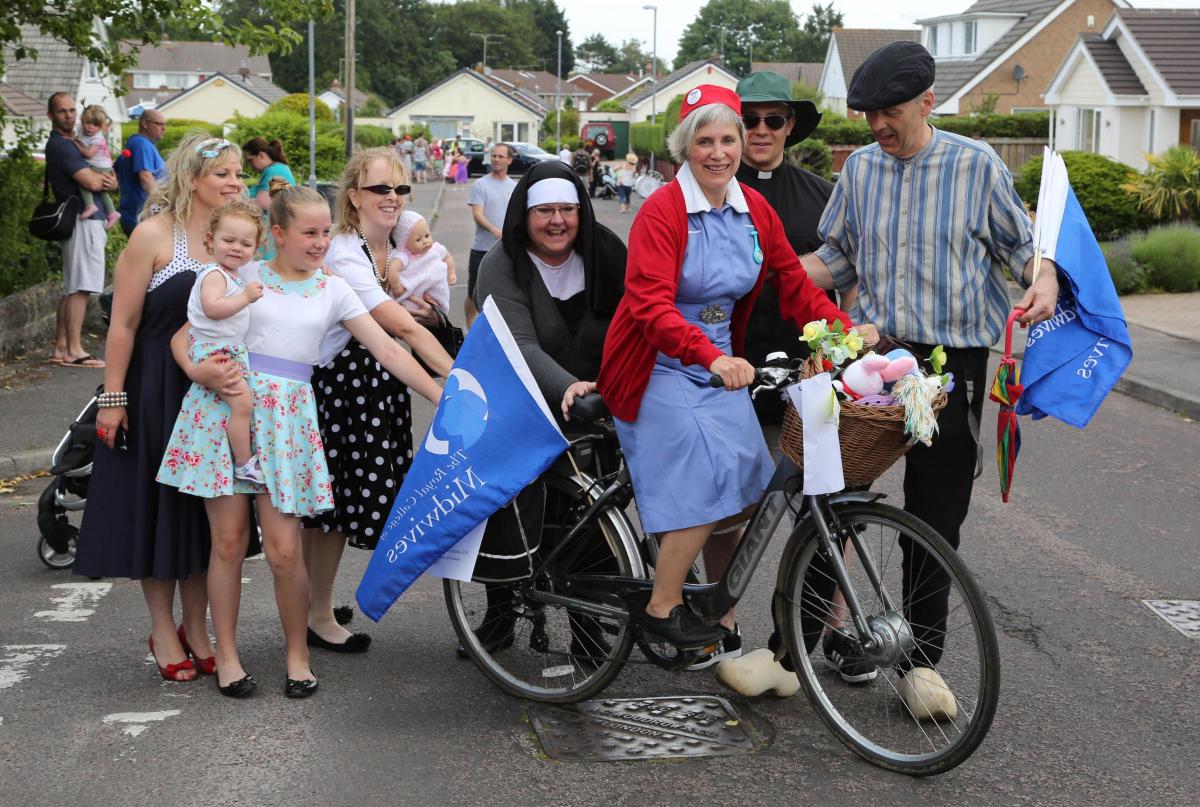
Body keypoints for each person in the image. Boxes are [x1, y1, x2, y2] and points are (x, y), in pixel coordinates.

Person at [727, 42, 1060, 717]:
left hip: (948, 366)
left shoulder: (977, 165)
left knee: (933, 517)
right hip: (874, 359)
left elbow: (1023, 252)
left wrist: (1048, 277)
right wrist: (762, 270)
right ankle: (787, 655)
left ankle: (919, 666)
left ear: (927, 103)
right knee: (830, 500)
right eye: (870, 113)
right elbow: (835, 258)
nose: (878, 125)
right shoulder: (861, 173)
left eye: (891, 113)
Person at [595, 85, 854, 655]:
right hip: (656, 363)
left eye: (727, 139)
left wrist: (845, 333)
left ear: (741, 145)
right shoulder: (662, 210)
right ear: (685, 148)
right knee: (708, 477)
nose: (718, 152)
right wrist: (709, 355)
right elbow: (650, 306)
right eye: (704, 140)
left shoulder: (753, 209)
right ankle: (663, 603)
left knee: (747, 487)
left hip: (718, 365)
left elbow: (792, 281)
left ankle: (706, 594)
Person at [160, 183, 443, 699]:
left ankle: (297, 654)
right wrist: (200, 371)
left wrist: (440, 393)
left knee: (285, 551)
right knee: (226, 544)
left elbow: (389, 349)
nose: (319, 243)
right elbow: (185, 334)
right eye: (308, 233)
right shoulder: (245, 274)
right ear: (278, 233)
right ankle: (227, 657)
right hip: (227, 409)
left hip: (289, 421)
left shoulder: (333, 289)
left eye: (325, 232)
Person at [73, 134, 248, 683]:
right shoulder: (153, 235)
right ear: (193, 178)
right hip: (155, 389)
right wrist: (113, 399)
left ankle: (198, 629)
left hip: (212, 393)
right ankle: (164, 628)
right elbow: (121, 325)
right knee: (158, 507)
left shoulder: (235, 237)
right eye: (223, 174)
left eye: (238, 174)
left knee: (203, 516)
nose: (235, 183)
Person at [469, 159, 627, 659]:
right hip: (522, 398)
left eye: (567, 209)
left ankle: (587, 625)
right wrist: (570, 386)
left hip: (597, 406)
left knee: (593, 518)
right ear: (524, 215)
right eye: (544, 211)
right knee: (514, 511)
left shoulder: (607, 252)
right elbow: (517, 343)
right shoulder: (501, 262)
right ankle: (499, 614)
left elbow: (637, 321)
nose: (556, 221)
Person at [300, 147, 454, 652]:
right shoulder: (346, 252)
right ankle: (317, 615)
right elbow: (396, 327)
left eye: (400, 189)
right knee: (332, 512)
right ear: (353, 197)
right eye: (379, 189)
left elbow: (425, 316)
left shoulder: (397, 246)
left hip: (375, 387)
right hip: (340, 391)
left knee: (341, 511)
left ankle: (314, 604)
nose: (392, 198)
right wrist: (456, 382)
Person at [182, 198, 267, 485]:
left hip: (224, 349)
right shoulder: (215, 274)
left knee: (237, 405)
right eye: (228, 240)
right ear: (211, 239)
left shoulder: (231, 274)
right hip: (216, 351)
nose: (236, 248)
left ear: (255, 248)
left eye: (245, 244)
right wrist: (245, 298)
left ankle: (240, 458)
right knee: (243, 405)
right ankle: (244, 462)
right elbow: (212, 308)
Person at [44, 93, 116, 369]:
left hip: (80, 220)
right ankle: (74, 349)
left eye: (72, 110)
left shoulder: (73, 144)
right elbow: (96, 182)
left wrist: (106, 180)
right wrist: (105, 180)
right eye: (62, 112)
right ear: (51, 116)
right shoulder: (64, 147)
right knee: (81, 287)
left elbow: (109, 178)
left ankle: (62, 348)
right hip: (83, 220)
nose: (69, 116)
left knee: (71, 286)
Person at [465, 142, 516, 328]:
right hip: (481, 248)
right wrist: (496, 231)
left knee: (501, 292)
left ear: (509, 160)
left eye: (500, 156)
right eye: (493, 155)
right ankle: (469, 325)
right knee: (473, 292)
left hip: (504, 250)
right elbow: (478, 215)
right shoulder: (481, 184)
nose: (495, 159)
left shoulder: (514, 186)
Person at [387, 210, 455, 313]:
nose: (425, 242)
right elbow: (392, 269)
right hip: (414, 294)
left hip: (434, 288)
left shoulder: (435, 249)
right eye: (418, 240)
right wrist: (397, 287)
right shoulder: (405, 255)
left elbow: (447, 257)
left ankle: (437, 304)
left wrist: (451, 273)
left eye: (427, 236)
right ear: (404, 243)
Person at [242, 137, 296, 261]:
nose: (250, 165)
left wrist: (241, 199)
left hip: (271, 234)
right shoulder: (279, 168)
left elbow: (265, 202)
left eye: (250, 160)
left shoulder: (275, 170)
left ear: (261, 155)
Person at [116, 109, 167, 237]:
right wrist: (164, 204)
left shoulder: (139, 143)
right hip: (141, 216)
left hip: (136, 214)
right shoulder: (141, 144)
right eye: (159, 124)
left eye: (164, 125)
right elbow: (145, 178)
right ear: (145, 124)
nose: (164, 128)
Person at [74, 105, 120, 229]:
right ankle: (112, 213)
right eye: (88, 123)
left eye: (95, 125)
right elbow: (76, 135)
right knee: (103, 192)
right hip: (101, 166)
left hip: (101, 167)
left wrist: (76, 144)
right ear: (82, 120)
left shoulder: (97, 138)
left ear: (100, 127)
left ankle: (90, 205)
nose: (90, 127)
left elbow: (88, 154)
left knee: (83, 182)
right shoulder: (80, 130)